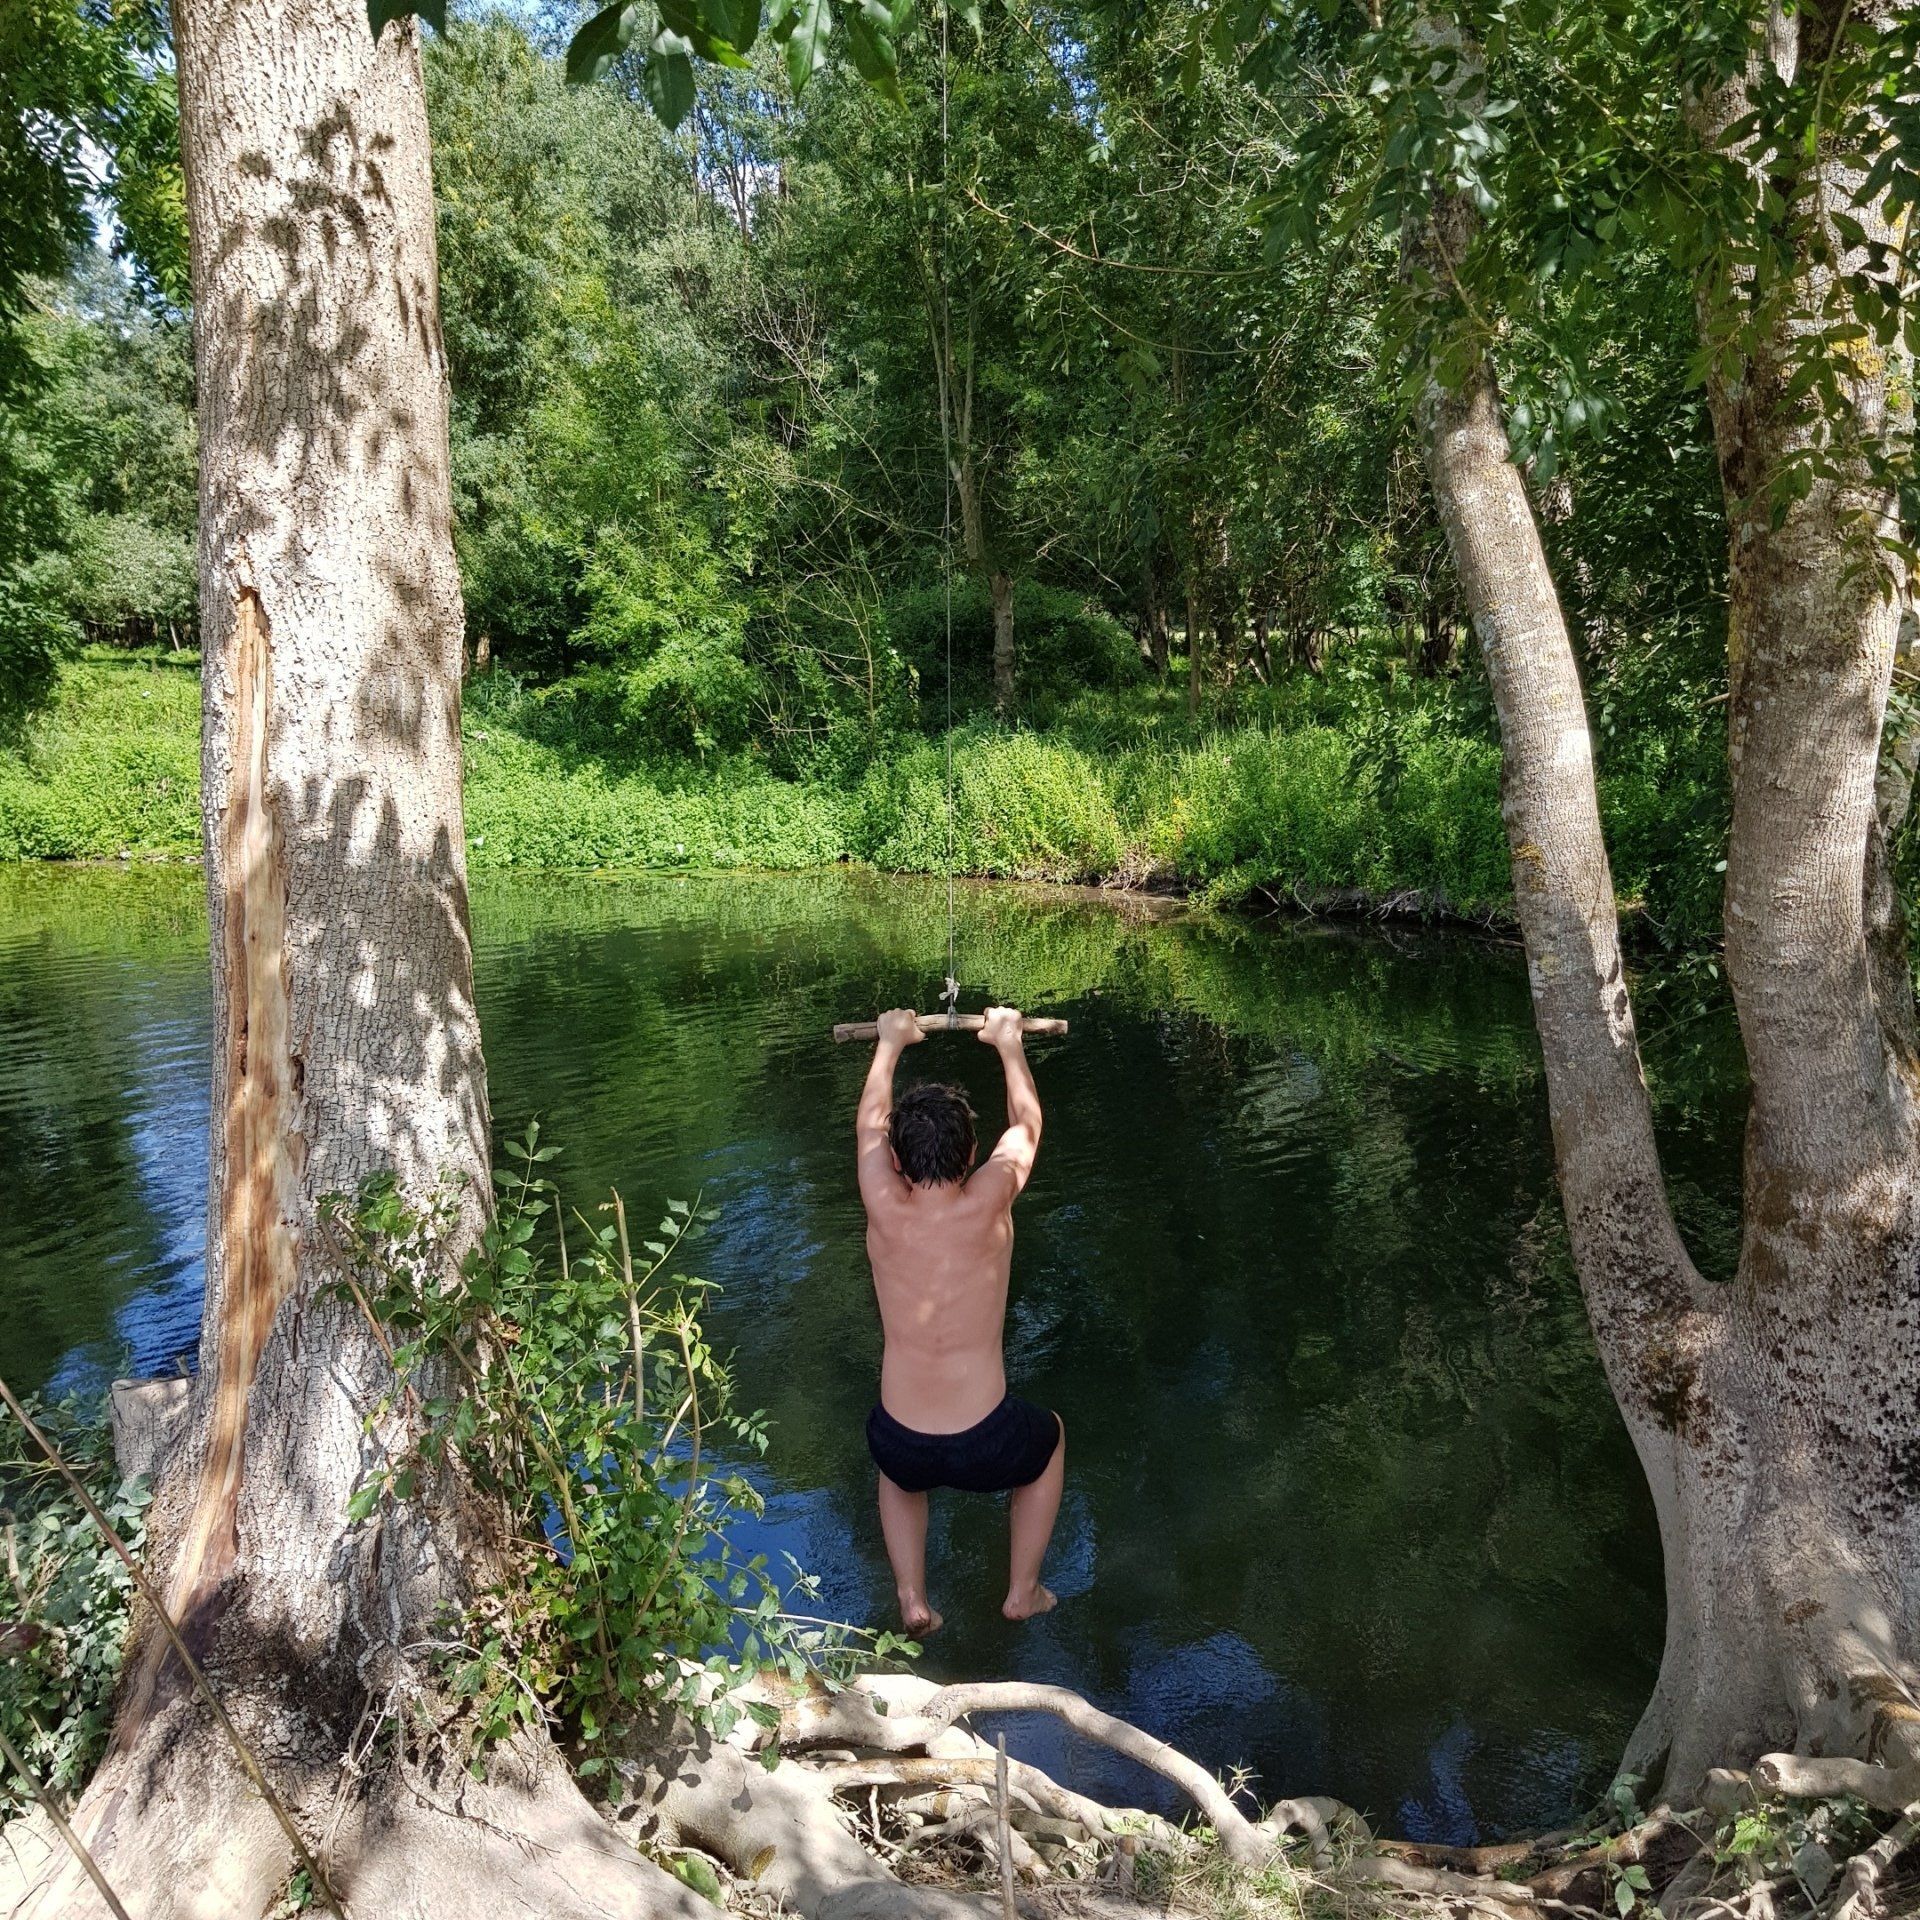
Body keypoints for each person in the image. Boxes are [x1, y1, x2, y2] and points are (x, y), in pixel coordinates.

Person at [855, 1005, 1065, 1635]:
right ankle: (1022, 1590)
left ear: (896, 1160)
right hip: (986, 1439)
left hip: (900, 1438)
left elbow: (868, 1126)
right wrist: (1008, 1042)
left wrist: (890, 1043)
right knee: (1050, 1439)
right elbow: (1026, 1123)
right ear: (973, 1152)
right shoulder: (991, 1197)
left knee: (898, 1475)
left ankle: (912, 1599)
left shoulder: (881, 1201)